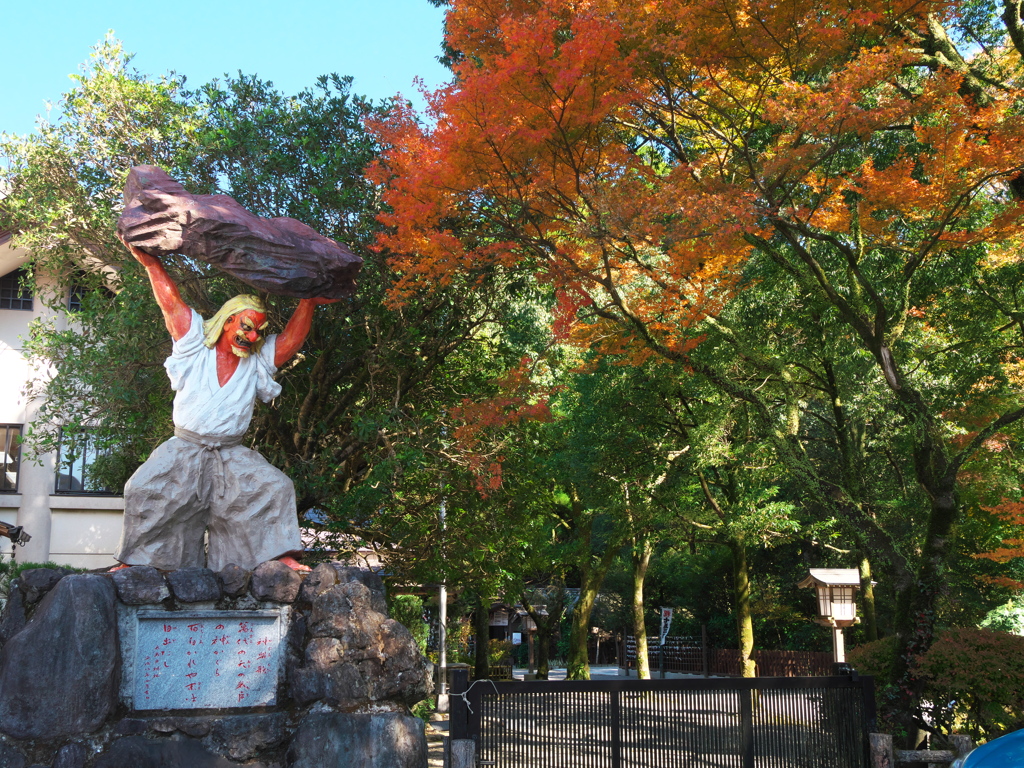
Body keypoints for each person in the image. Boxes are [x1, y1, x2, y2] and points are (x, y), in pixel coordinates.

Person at [114, 241, 335, 571]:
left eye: (259, 331)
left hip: (231, 455)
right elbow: (171, 305)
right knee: (144, 488)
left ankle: (276, 557)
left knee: (274, 487)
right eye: (246, 326)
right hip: (184, 448)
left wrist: (309, 301)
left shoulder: (257, 362)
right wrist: (151, 265)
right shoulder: (193, 345)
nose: (251, 336)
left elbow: (290, 342)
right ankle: (139, 563)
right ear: (228, 321)